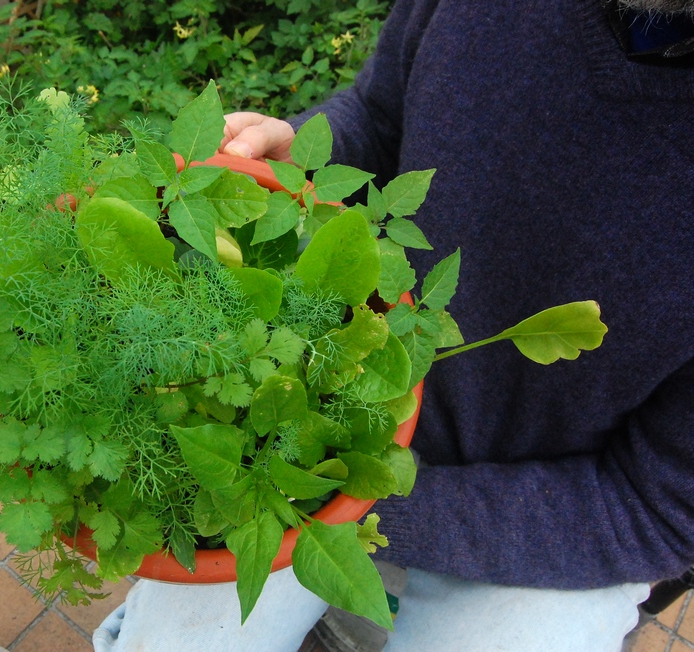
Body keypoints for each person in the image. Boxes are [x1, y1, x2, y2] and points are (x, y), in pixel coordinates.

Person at [93, 0, 694, 649]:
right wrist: (301, 165)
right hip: (321, 423)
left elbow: (653, 509)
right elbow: (379, 114)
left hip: (556, 522)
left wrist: (359, 501)